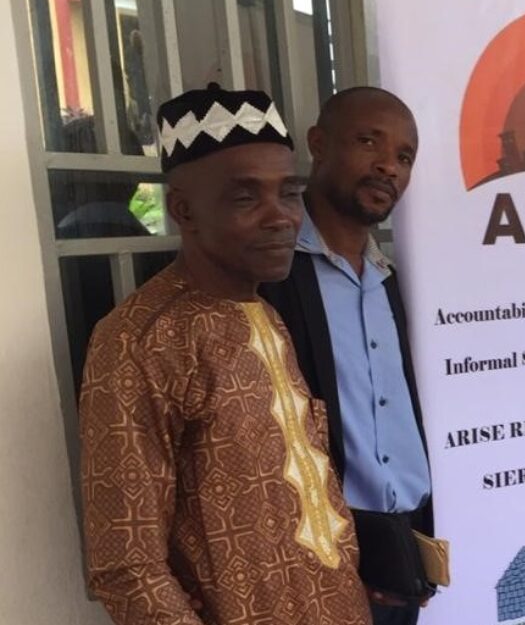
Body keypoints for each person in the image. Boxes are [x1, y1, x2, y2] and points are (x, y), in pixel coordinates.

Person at [79, 84, 370, 625]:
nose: (282, 217)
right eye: (245, 197)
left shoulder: (267, 315)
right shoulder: (138, 340)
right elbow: (126, 568)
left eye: (287, 193)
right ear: (183, 210)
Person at [261, 86, 434, 625]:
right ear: (318, 143)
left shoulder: (392, 285)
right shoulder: (272, 277)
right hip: (319, 565)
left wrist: (414, 546)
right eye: (368, 142)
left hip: (402, 557)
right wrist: (341, 554)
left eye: (404, 157)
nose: (389, 167)